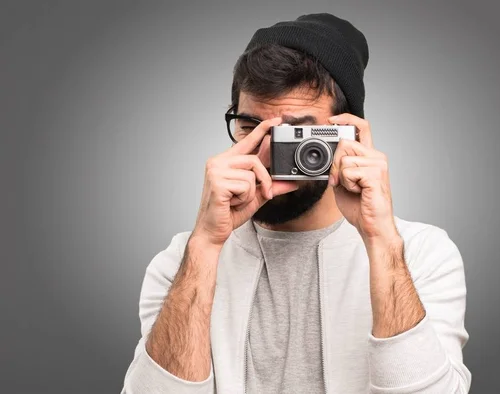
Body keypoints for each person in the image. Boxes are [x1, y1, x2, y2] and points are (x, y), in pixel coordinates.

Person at [121, 13, 471, 394]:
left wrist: (381, 242)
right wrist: (204, 246)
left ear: (348, 132)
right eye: (249, 125)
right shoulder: (181, 262)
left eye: (296, 132)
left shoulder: (420, 255)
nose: (270, 151)